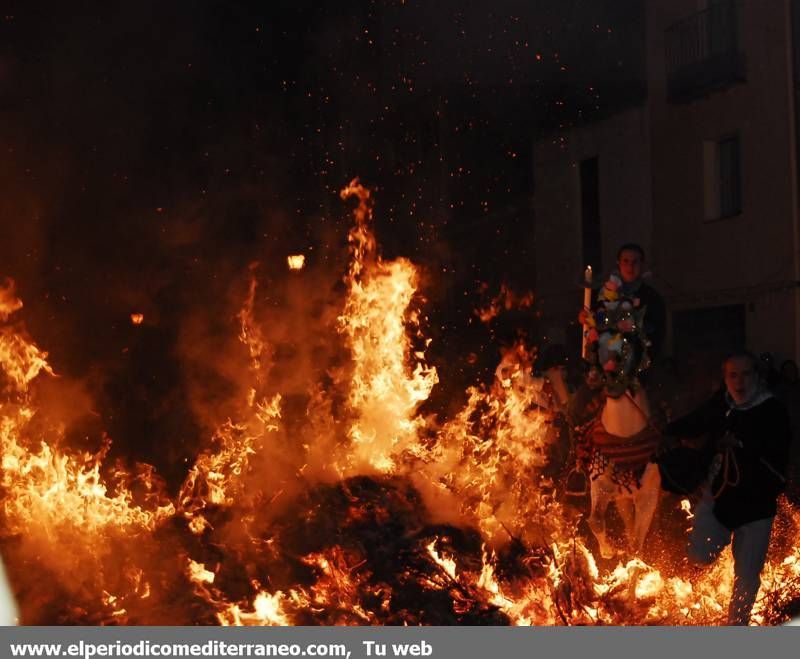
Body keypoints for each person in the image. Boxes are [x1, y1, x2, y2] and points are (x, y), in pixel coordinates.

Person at [662, 351, 791, 625]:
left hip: (757, 507)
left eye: (745, 374)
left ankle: (736, 631)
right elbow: (696, 421)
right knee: (698, 555)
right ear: (725, 379)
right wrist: (667, 430)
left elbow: (778, 455)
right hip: (719, 499)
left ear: (756, 377)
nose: (739, 381)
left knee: (746, 575)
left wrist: (742, 445)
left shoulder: (773, 411)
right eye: (733, 374)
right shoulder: (721, 405)